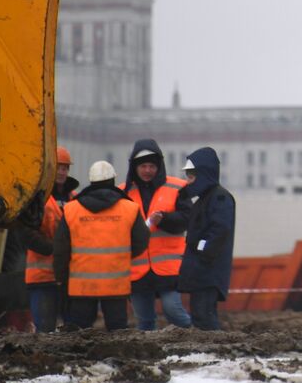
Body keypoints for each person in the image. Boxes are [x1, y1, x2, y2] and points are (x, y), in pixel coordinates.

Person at [54, 160, 149, 330]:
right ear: (112, 180)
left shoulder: (71, 209)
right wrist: (122, 256)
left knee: (79, 332)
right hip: (116, 285)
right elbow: (142, 241)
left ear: (91, 181)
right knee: (118, 332)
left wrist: (61, 277)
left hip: (82, 286)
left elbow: (61, 248)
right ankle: (118, 357)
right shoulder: (129, 208)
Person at [123, 139, 193, 331]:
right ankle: (146, 358)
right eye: (143, 166)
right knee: (144, 320)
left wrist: (165, 219)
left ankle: (198, 339)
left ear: (159, 166)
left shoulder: (178, 187)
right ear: (135, 167)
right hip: (137, 269)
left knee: (174, 311)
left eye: (152, 166)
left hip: (167, 267)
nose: (147, 170)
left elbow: (188, 218)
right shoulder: (123, 191)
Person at [15, 145, 74, 332]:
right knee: (45, 331)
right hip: (42, 278)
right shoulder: (36, 199)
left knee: (72, 331)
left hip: (69, 276)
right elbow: (25, 233)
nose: (62, 172)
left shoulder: (75, 198)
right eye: (58, 167)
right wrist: (54, 248)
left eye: (65, 168)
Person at [178, 147, 235, 331]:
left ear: (203, 174)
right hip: (201, 272)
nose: (188, 182)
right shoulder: (205, 198)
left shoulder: (219, 197)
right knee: (200, 316)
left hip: (208, 272)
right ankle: (210, 353)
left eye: (191, 177)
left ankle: (215, 353)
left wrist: (202, 250)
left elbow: (220, 230)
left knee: (204, 318)